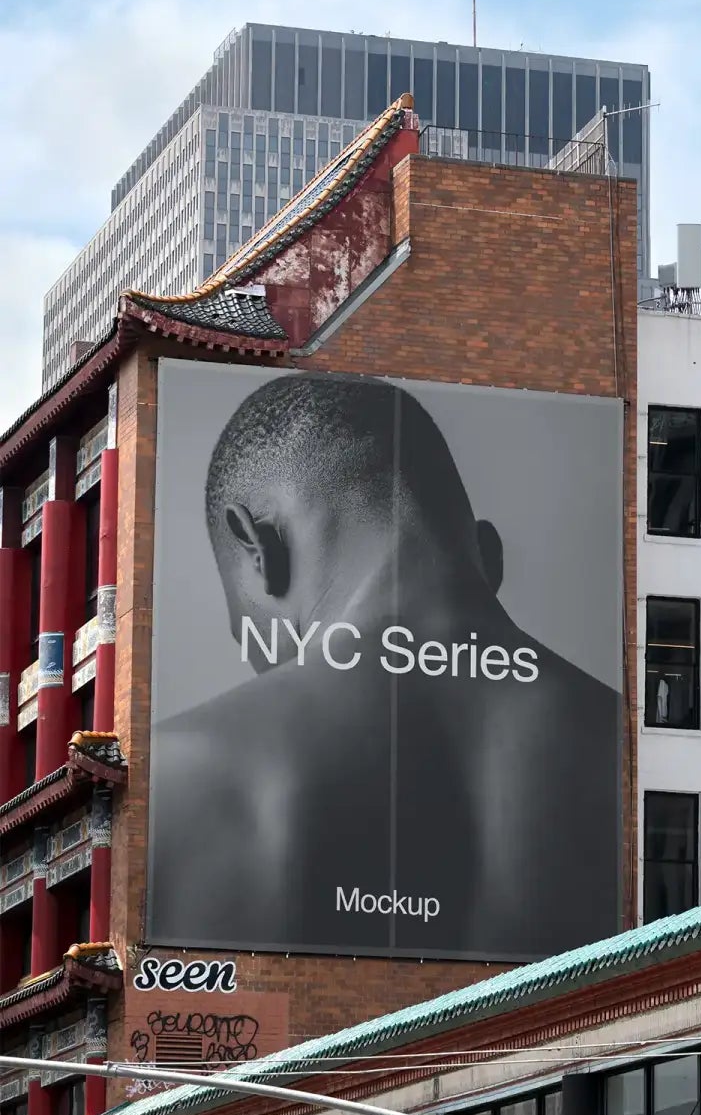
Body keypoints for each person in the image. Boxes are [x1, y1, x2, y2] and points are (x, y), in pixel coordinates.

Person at [148, 372, 621, 960]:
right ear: (488, 557)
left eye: (245, 629)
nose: (260, 665)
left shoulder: (176, 769)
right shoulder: (638, 757)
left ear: (258, 548)